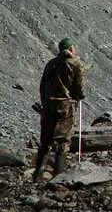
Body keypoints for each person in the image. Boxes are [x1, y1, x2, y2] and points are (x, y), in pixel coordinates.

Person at [32, 38, 84, 181]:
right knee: (63, 141)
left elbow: (42, 86)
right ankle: (58, 176)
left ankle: (37, 176)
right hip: (65, 106)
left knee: (45, 142)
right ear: (71, 48)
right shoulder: (76, 64)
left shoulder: (51, 64)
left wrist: (45, 103)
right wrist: (79, 96)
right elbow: (79, 87)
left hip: (49, 105)